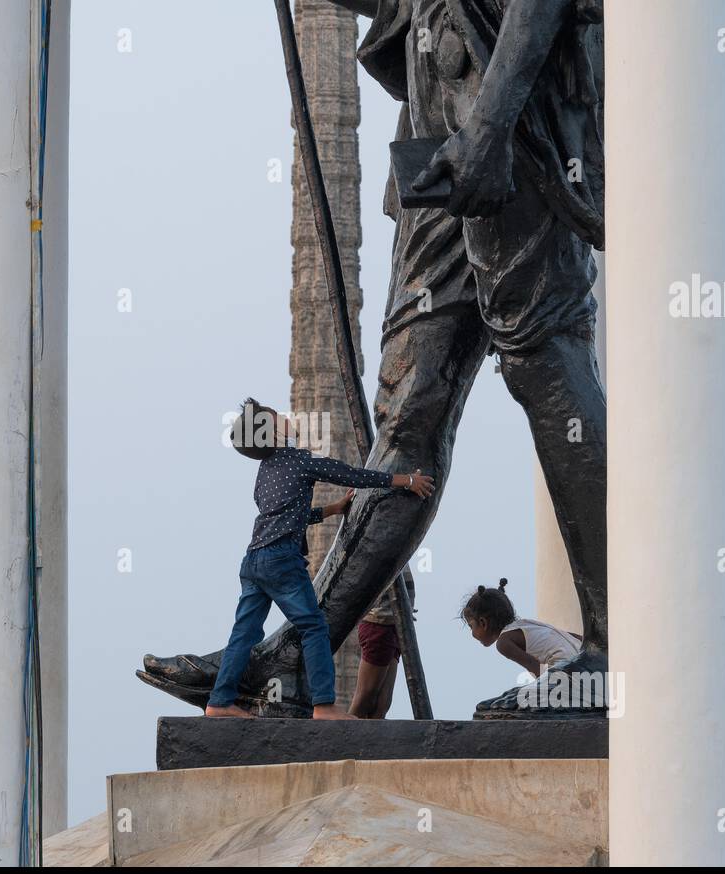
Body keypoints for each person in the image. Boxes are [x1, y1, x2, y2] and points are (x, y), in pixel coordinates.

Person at [140, 0, 608, 716]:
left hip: (517, 130)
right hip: (436, 144)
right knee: (409, 406)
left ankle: (615, 651)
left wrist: (488, 127)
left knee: (546, 362)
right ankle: (297, 654)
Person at [205, 399, 435, 720]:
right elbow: (350, 474)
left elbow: (292, 514)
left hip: (254, 560)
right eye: (278, 417)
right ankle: (324, 705)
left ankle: (219, 702)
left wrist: (333, 509)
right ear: (270, 432)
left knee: (244, 634)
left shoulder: (264, 473)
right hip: (282, 561)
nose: (286, 418)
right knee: (314, 628)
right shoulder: (300, 461)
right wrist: (406, 481)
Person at [461, 579, 581, 676]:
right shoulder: (528, 624)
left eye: (471, 626)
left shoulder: (504, 643)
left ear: (483, 623)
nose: (472, 633)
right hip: (583, 660)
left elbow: (536, 668)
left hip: (567, 671)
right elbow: (570, 636)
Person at [347, 569, 415, 719]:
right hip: (379, 622)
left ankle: (370, 741)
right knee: (366, 696)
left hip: (396, 624)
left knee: (382, 703)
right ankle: (345, 738)